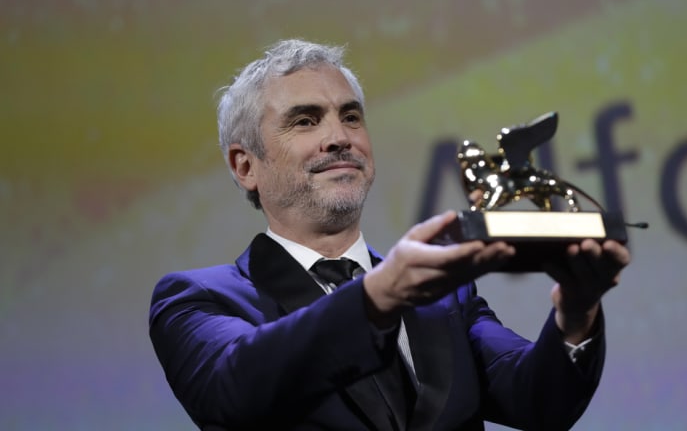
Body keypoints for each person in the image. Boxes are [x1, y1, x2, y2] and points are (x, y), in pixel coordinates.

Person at [149, 39, 631, 431]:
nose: (341, 136)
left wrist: (576, 312)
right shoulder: (198, 299)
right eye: (305, 120)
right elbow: (238, 387)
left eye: (351, 116)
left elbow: (537, 402)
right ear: (245, 165)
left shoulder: (446, 297)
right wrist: (378, 295)